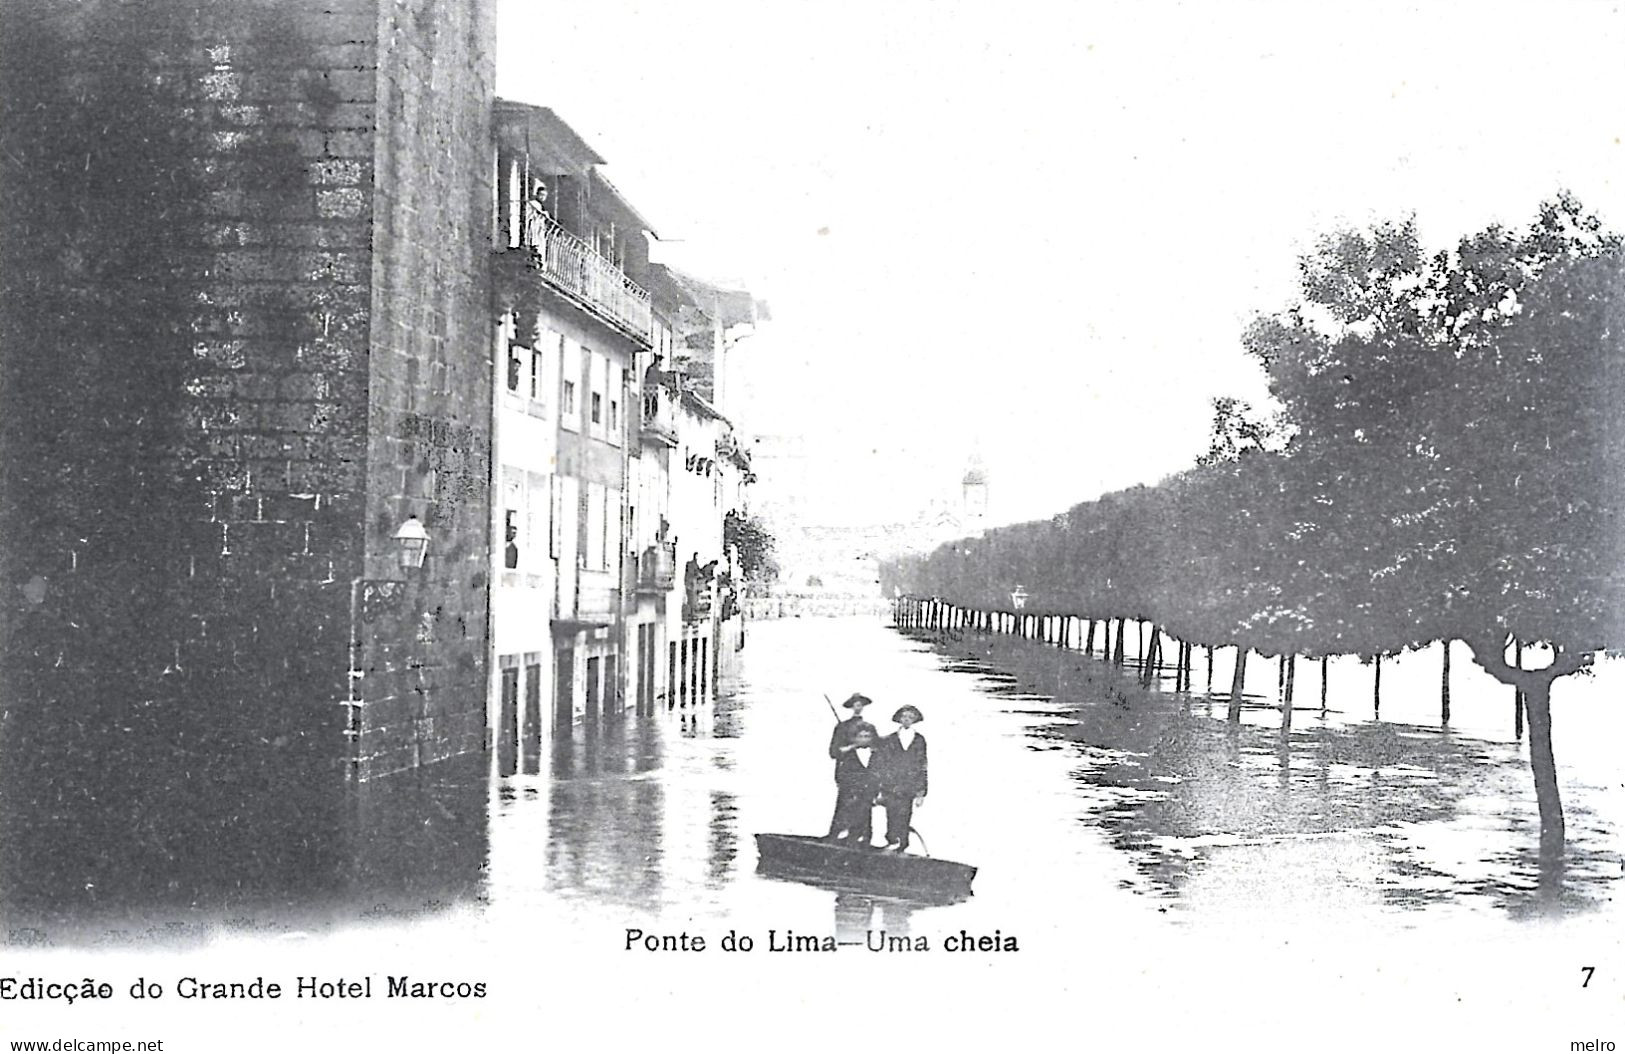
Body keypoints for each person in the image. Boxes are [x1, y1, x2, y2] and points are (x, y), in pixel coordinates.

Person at [873, 705, 928, 852]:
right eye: (904, 717)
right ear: (899, 719)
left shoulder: (919, 740)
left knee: (904, 815)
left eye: (910, 717)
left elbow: (922, 765)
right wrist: (879, 788)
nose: (907, 720)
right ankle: (892, 841)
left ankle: (902, 844)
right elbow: (882, 764)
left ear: (915, 720)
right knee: (891, 814)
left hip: (908, 786)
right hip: (890, 785)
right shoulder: (890, 739)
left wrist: (921, 792)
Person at [826, 693, 877, 839]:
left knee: (864, 805)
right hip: (847, 772)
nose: (858, 707)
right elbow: (834, 752)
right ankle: (839, 834)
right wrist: (852, 746)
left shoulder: (870, 727)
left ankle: (862, 836)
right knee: (845, 803)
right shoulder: (842, 727)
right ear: (851, 706)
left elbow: (876, 748)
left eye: (861, 704)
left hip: (865, 773)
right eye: (855, 704)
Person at [828, 726, 880, 845]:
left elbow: (880, 773)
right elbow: (841, 773)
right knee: (846, 814)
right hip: (850, 790)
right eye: (860, 736)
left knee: (865, 816)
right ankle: (842, 836)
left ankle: (863, 838)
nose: (863, 739)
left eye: (867, 736)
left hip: (868, 791)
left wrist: (876, 791)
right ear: (854, 738)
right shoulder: (848, 754)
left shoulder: (877, 754)